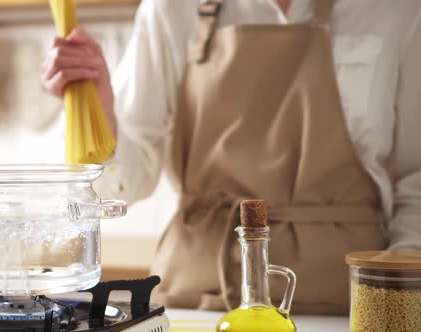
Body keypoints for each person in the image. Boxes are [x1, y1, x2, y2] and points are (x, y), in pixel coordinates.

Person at [42, 0, 421, 314]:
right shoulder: (172, 9)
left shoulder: (397, 11)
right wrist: (102, 113)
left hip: (347, 302)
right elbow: (124, 186)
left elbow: (416, 179)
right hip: (196, 300)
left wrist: (399, 298)